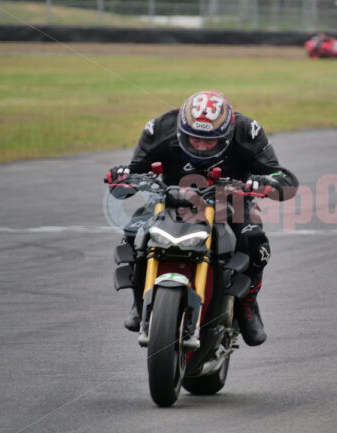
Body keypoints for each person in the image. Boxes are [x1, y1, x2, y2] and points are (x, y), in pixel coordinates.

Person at [106, 90, 298, 346]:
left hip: (231, 199)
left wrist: (261, 182)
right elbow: (132, 176)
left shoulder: (247, 131)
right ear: (180, 131)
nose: (201, 145)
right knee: (132, 233)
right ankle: (139, 300)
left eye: (210, 141)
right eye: (194, 139)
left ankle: (247, 305)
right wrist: (123, 175)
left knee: (256, 244)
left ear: (227, 135)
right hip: (170, 197)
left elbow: (283, 179)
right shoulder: (159, 128)